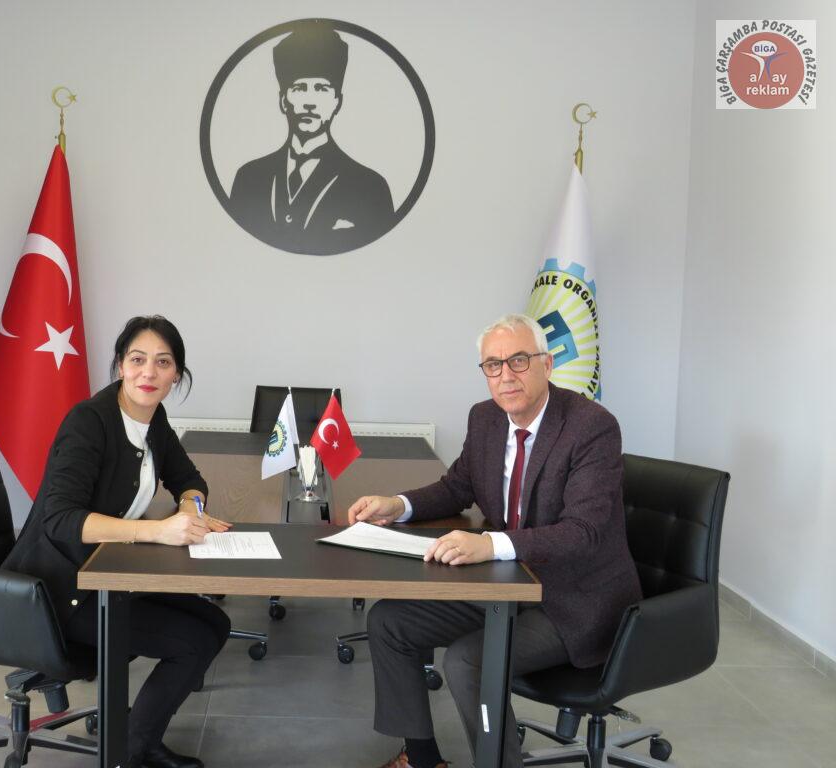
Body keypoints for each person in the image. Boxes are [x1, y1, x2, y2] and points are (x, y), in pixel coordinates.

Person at [348, 313, 641, 768]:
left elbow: (583, 533)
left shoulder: (591, 426)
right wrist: (398, 504)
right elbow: (456, 487)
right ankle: (422, 760)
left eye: (519, 360)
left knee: (468, 661)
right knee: (390, 622)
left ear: (547, 364)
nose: (506, 375)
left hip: (572, 599)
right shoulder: (485, 418)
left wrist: (491, 544)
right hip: (506, 583)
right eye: (493, 365)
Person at [3, 315, 231, 768]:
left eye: (163, 362)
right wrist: (158, 531)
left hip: (108, 573)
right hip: (59, 590)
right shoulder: (89, 422)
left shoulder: (153, 418)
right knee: (191, 641)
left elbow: (190, 479)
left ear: (177, 375)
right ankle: (131, 751)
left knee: (215, 624)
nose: (149, 372)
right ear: (121, 365)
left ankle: (138, 738)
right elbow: (61, 519)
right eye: (138, 359)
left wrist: (191, 508)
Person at [229, 20, 395, 255]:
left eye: (321, 89)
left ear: (338, 102)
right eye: (299, 88)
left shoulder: (370, 187)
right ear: (283, 101)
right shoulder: (248, 178)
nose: (309, 102)